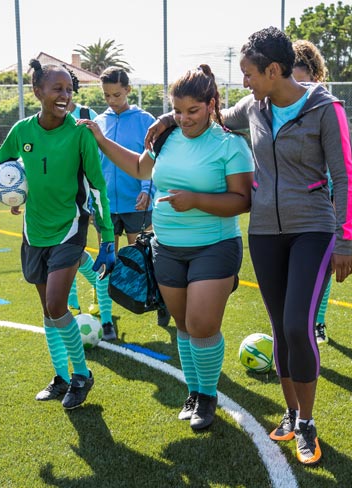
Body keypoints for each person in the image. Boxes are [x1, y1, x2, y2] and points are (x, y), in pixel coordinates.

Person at [146, 27, 352, 466]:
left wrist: (345, 239)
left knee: (299, 325)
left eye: (248, 73)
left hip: (313, 229)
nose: (243, 82)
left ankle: (307, 422)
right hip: (264, 232)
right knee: (281, 327)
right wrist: (169, 119)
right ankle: (292, 411)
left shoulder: (324, 108)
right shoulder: (255, 107)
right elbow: (214, 117)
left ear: (273, 70)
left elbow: (344, 177)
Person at [78, 64, 254, 431]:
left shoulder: (229, 143)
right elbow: (141, 170)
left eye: (193, 111)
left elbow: (242, 201)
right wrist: (100, 139)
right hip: (166, 247)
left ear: (211, 104)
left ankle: (208, 395)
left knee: (202, 324)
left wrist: (196, 200)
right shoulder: (165, 137)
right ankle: (193, 392)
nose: (184, 118)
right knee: (184, 327)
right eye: (177, 111)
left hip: (215, 246)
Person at [0, 59, 116, 410]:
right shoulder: (22, 131)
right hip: (33, 231)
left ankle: (82, 375)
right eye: (57, 89)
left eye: (69, 89)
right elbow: (0, 165)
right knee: (47, 310)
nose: (65, 95)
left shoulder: (81, 131)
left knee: (57, 304)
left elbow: (97, 187)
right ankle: (61, 377)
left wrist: (108, 237)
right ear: (37, 91)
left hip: (69, 229)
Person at [93, 66, 164, 338]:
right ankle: (107, 319)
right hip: (106, 207)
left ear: (128, 90)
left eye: (117, 94)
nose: (112, 100)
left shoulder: (145, 120)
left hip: (137, 203)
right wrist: (93, 201)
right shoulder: (99, 122)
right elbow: (95, 164)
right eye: (107, 95)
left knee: (143, 259)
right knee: (106, 261)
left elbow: (151, 157)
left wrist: (147, 189)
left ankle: (160, 300)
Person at [292, 39, 332, 345]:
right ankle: (295, 324)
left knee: (323, 267)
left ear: (313, 73)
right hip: (285, 204)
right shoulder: (274, 104)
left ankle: (317, 322)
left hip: (321, 199)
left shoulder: (324, 103)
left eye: (299, 74)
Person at [65, 95, 104, 324]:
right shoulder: (46, 121)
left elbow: (99, 156)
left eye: (66, 89)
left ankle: (100, 293)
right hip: (60, 199)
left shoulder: (88, 116)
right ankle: (71, 303)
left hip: (85, 196)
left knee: (73, 252)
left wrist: (94, 198)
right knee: (64, 252)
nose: (62, 95)